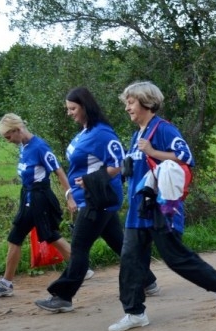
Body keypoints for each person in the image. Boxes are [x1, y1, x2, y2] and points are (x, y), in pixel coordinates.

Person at [108, 81, 216, 331]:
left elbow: (186, 157)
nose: (127, 108)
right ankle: (134, 312)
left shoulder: (163, 130)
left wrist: (154, 151)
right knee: (131, 259)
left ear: (146, 102)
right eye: (127, 103)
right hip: (138, 207)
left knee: (174, 257)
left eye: (130, 102)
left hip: (161, 207)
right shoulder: (137, 135)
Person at [34, 87, 158, 312]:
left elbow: (118, 163)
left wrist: (91, 180)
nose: (69, 113)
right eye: (68, 109)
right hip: (89, 199)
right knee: (119, 243)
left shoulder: (102, 133)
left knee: (79, 248)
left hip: (98, 201)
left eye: (73, 108)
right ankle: (147, 280)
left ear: (85, 106)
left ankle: (63, 296)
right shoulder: (85, 131)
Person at [0, 114, 72, 298]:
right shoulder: (23, 146)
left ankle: (79, 266)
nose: (8, 141)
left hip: (40, 197)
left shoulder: (39, 147)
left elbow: (59, 171)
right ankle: (6, 283)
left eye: (8, 137)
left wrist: (69, 196)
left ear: (17, 130)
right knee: (21, 237)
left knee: (47, 235)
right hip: (28, 196)